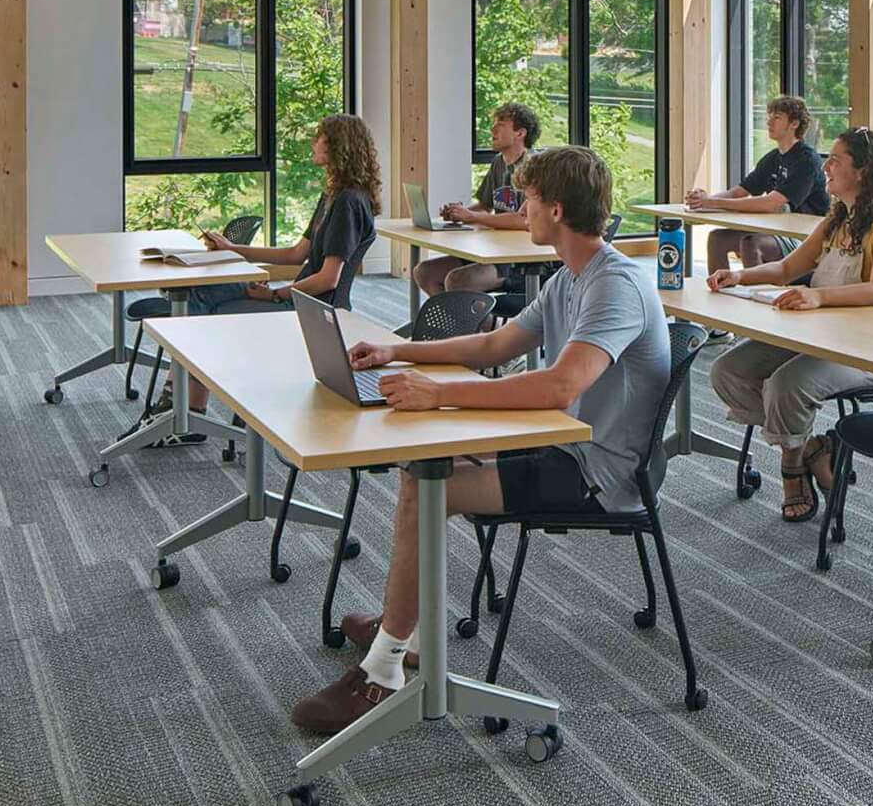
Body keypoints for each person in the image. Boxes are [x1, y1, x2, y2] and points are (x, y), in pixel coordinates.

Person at [289, 144, 670, 735]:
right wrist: (399, 349)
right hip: (560, 444)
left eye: (531, 200)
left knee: (426, 486)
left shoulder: (614, 285)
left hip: (596, 472)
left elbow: (560, 385)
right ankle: (404, 630)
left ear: (559, 212)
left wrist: (441, 394)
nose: (521, 209)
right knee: (424, 462)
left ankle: (386, 665)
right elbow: (495, 346)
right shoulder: (571, 276)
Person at [706, 127, 873, 524]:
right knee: (728, 371)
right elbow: (789, 268)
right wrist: (740, 276)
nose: (826, 165)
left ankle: (792, 470)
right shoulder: (837, 219)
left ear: (863, 171)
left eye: (836, 159)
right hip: (823, 334)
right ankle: (811, 450)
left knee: (788, 385)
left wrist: (819, 297)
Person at [174, 113, 380, 425]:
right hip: (294, 298)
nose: (313, 142)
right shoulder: (333, 195)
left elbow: (328, 279)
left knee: (201, 307)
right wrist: (233, 249)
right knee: (201, 291)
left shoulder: (349, 203)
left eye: (319, 137)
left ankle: (183, 407)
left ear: (338, 146)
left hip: (314, 310)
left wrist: (275, 295)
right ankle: (187, 406)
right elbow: (296, 254)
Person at [412, 100, 539, 302]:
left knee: (458, 280)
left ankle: (489, 332)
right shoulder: (498, 162)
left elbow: (523, 220)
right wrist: (459, 215)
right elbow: (485, 206)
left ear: (520, 133)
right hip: (495, 251)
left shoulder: (534, 166)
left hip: (518, 259)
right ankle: (458, 326)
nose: (493, 129)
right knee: (425, 272)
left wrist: (470, 216)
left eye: (501, 124)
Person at [686, 94, 829, 273]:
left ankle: (755, 297)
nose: (769, 122)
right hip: (777, 230)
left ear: (794, 124)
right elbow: (738, 192)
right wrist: (701, 202)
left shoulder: (807, 160)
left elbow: (770, 203)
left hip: (806, 238)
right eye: (769, 116)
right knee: (717, 239)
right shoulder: (773, 158)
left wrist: (712, 202)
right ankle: (721, 291)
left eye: (776, 118)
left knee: (751, 244)